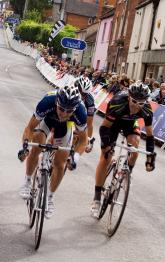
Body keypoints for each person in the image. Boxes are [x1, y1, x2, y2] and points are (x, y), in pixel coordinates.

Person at [18, 86, 88, 219]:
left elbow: (84, 140)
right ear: (57, 103)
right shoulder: (47, 102)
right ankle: (27, 181)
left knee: (60, 164)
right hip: (46, 120)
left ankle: (49, 198)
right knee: (37, 146)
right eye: (61, 109)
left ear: (74, 109)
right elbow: (29, 128)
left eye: (69, 111)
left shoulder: (80, 112)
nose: (64, 114)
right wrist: (25, 146)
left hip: (66, 127)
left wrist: (76, 157)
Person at [90, 81, 156, 218]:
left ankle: (127, 173)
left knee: (135, 147)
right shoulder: (117, 102)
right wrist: (107, 146)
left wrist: (150, 158)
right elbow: (104, 128)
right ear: (128, 97)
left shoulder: (147, 110)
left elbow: (150, 135)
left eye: (141, 103)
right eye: (134, 101)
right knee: (105, 157)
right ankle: (96, 198)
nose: (137, 106)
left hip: (130, 124)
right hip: (113, 124)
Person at [75, 75, 96, 152]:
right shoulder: (71, 90)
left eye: (84, 94)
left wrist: (88, 140)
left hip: (81, 114)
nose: (81, 95)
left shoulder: (90, 101)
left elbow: (89, 123)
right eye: (80, 92)